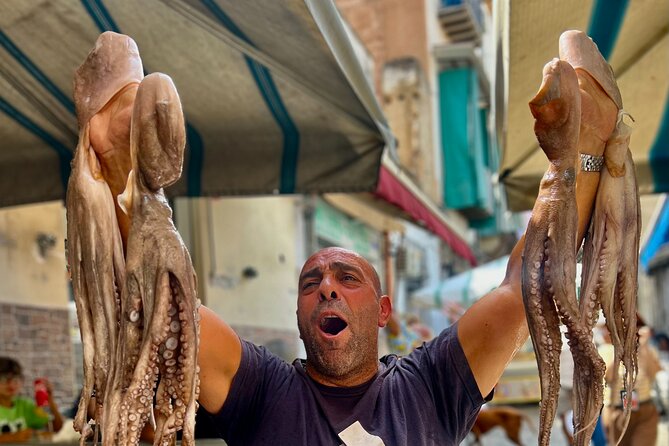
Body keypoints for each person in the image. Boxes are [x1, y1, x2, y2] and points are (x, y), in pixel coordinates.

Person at [194, 143, 604, 445]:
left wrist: (583, 151)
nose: (326, 288)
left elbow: (522, 287)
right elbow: (176, 308)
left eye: (347, 278)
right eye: (310, 283)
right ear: (299, 314)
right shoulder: (261, 391)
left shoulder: (429, 385)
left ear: (382, 310)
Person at [600, 323, 663, 446]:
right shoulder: (606, 349)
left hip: (644, 409)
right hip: (617, 411)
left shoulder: (647, 350)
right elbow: (609, 377)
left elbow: (653, 374)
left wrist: (644, 347)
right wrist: (619, 350)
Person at [0, 357, 64, 443]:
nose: (11, 384)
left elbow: (57, 428)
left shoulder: (25, 405)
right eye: (4, 379)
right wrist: (10, 437)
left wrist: (50, 400)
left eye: (16, 379)